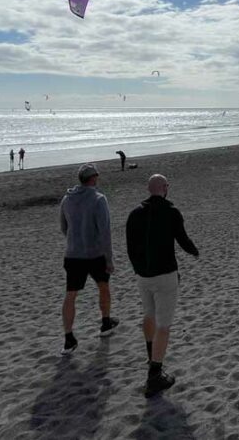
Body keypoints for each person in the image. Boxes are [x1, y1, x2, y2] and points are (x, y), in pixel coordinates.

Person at [126, 174, 200, 396]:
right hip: (165, 274)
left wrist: (137, 268)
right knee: (164, 324)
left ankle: (151, 356)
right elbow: (182, 239)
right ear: (165, 188)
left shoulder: (135, 214)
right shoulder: (171, 212)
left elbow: (130, 247)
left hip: (143, 275)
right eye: (167, 186)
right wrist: (195, 251)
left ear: (150, 190)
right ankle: (155, 374)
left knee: (149, 315)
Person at [59, 164, 118, 354]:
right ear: (93, 178)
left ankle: (69, 337)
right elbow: (105, 232)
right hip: (94, 254)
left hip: (73, 254)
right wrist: (109, 259)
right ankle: (105, 322)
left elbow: (63, 227)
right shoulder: (98, 199)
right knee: (103, 287)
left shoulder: (67, 199)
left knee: (71, 295)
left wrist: (75, 239)